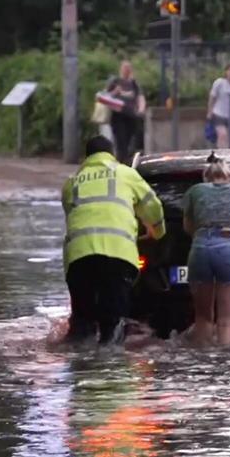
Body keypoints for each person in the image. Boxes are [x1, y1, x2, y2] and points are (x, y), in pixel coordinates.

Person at [61, 135, 166, 344]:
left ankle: (81, 366)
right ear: (112, 155)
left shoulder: (71, 183)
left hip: (79, 259)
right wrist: (158, 232)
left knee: (81, 322)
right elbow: (153, 207)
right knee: (113, 322)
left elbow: (72, 218)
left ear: (86, 157)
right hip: (117, 256)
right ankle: (111, 365)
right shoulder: (126, 174)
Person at [182, 155, 230, 346]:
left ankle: (201, 366)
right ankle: (224, 365)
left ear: (206, 177)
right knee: (227, 322)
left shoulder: (194, 191)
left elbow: (188, 227)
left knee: (203, 317)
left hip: (200, 248)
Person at [105, 60, 146, 163]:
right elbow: (105, 96)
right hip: (118, 116)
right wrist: (115, 92)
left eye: (128, 69)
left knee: (130, 142)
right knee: (121, 142)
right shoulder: (115, 81)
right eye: (125, 68)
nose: (127, 71)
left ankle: (126, 162)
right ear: (121, 69)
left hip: (131, 116)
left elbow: (140, 97)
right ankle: (121, 163)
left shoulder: (133, 83)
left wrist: (141, 110)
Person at [206, 64, 230, 149]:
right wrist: (209, 111)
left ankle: (226, 153)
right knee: (222, 134)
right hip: (219, 113)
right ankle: (221, 152)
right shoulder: (219, 83)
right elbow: (212, 97)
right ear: (226, 72)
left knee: (229, 137)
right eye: (229, 70)